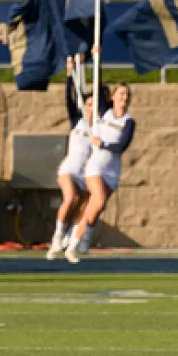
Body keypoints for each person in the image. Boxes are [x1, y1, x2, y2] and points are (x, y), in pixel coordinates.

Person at [66, 78, 134, 263]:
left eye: (127, 95)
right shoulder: (104, 112)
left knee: (96, 208)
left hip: (112, 171)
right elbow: (98, 82)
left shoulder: (129, 122)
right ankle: (73, 245)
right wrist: (93, 59)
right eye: (121, 94)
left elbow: (121, 146)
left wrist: (102, 144)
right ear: (113, 97)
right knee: (98, 200)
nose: (124, 97)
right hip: (95, 167)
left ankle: (82, 236)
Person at [47, 56, 107, 261]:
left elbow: (102, 93)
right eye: (88, 104)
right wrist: (69, 74)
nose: (90, 108)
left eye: (94, 105)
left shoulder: (99, 127)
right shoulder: (77, 121)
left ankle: (68, 238)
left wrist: (97, 61)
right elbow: (69, 98)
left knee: (83, 207)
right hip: (69, 169)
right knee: (70, 198)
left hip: (85, 174)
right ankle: (56, 236)